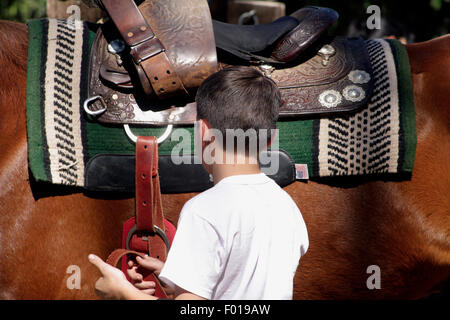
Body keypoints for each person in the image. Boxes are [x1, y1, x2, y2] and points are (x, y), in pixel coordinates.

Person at [89, 66, 309, 300]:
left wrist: (121, 292)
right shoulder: (287, 207)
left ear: (203, 131)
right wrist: (178, 276)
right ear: (271, 139)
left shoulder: (204, 210)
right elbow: (247, 283)